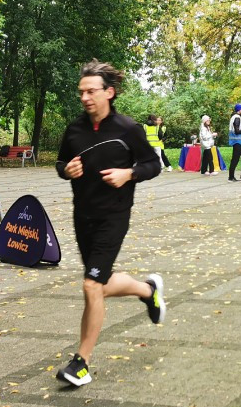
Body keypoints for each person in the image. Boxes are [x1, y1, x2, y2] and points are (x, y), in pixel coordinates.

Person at [54, 60, 166, 387]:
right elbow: (62, 162)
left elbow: (152, 165)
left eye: (92, 91)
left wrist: (128, 173)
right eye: (81, 92)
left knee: (91, 286)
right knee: (98, 284)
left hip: (114, 216)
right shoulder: (74, 129)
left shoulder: (128, 129)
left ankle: (81, 363)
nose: (85, 98)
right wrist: (66, 170)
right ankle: (147, 290)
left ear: (109, 92)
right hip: (82, 216)